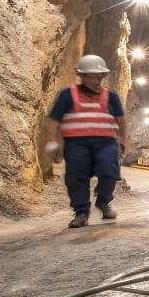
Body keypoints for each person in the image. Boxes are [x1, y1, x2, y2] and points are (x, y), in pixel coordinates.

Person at [44, 54, 127, 228]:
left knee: (109, 172)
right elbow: (54, 119)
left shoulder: (111, 97)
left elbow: (120, 119)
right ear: (82, 76)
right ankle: (81, 212)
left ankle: (103, 201)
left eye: (99, 77)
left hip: (105, 143)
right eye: (91, 77)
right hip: (77, 144)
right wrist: (52, 140)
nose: (96, 81)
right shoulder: (68, 95)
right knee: (76, 177)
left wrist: (122, 138)